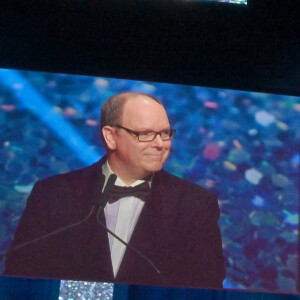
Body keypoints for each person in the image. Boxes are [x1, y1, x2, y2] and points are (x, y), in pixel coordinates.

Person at [4, 92, 226, 288]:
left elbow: (206, 288)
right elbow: (21, 278)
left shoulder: (196, 204)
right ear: (111, 136)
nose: (161, 144)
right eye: (146, 133)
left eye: (166, 133)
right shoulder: (53, 194)